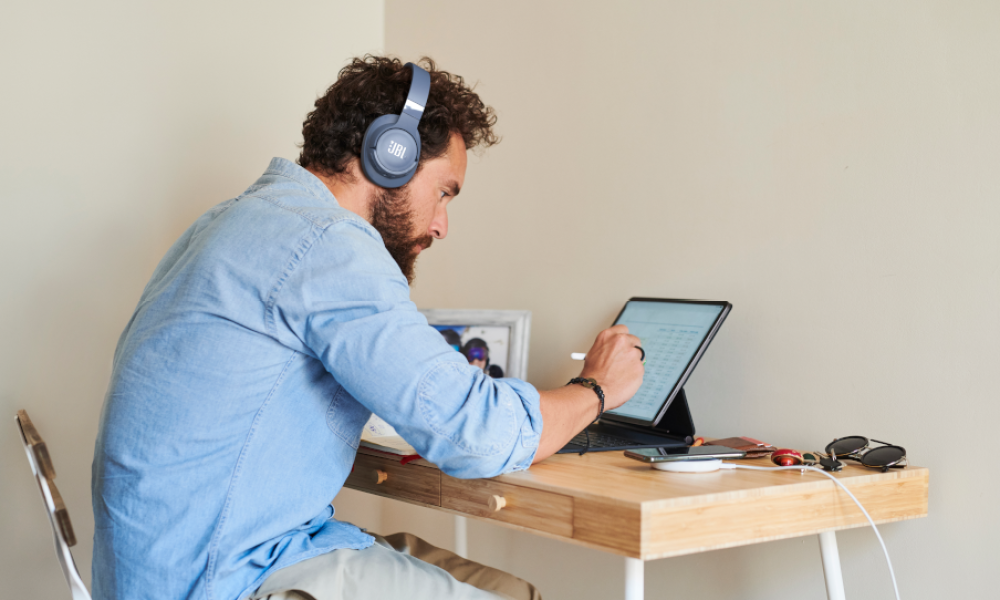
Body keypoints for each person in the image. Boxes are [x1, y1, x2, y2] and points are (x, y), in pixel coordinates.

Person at [91, 56, 644, 600]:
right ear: (391, 156)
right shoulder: (325, 243)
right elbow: (474, 435)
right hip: (228, 578)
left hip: (182, 563)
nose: (442, 224)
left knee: (511, 590)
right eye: (445, 191)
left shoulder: (233, 220)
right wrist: (596, 388)